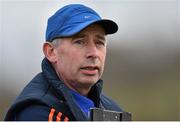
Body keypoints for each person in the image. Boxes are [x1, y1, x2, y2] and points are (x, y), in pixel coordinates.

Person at [4, 4, 124, 121]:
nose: (93, 53)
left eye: (99, 43)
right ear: (51, 52)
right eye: (80, 42)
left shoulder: (113, 109)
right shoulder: (37, 112)